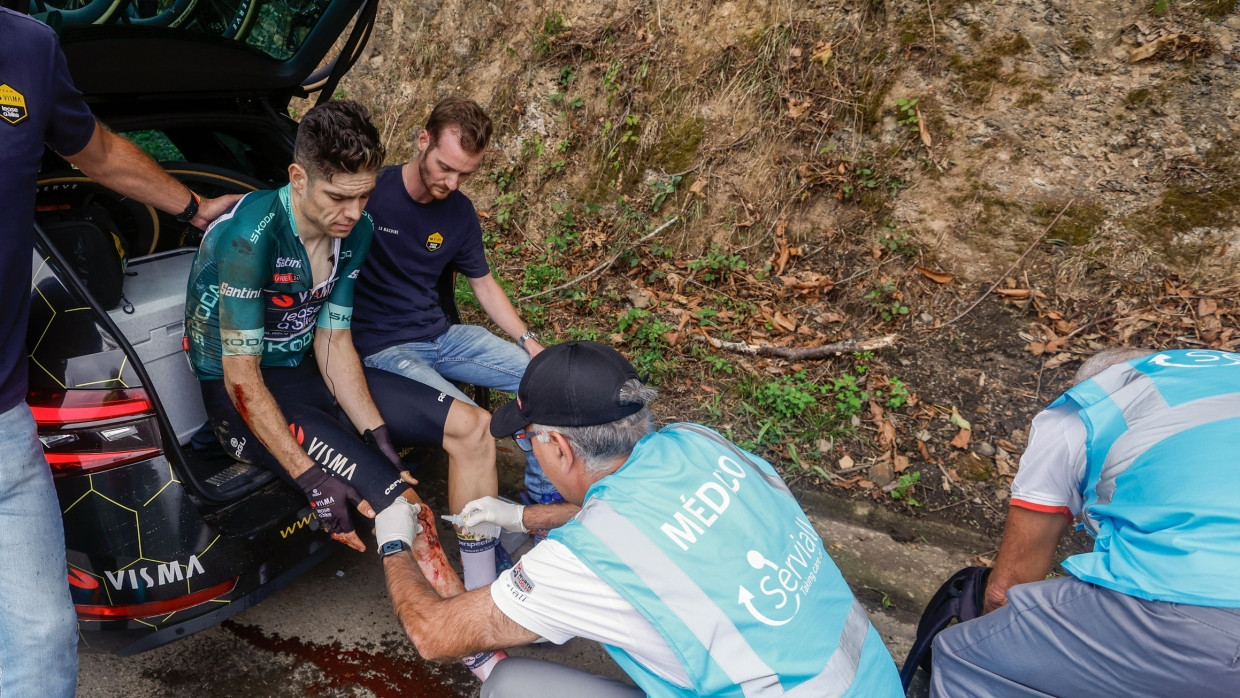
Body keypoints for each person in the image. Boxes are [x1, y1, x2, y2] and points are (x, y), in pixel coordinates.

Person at [374, 340, 904, 697]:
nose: (530, 448)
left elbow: (433, 634)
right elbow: (640, 520)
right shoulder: (700, 443)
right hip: (873, 682)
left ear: (558, 447)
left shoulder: (585, 561)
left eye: (529, 438)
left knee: (511, 686)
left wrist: (394, 544)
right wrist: (522, 516)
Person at [1, 8, 237, 695]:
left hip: (3, 420)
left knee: (42, 636)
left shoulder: (28, 47)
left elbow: (97, 150)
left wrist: (194, 209)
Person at [184, 100, 502, 590]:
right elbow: (241, 378)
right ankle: (479, 644)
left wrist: (375, 434)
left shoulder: (356, 230)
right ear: (298, 177)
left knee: (474, 426)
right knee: (404, 508)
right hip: (244, 395)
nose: (353, 213)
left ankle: (487, 595)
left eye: (364, 196)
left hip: (309, 370)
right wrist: (310, 478)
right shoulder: (250, 240)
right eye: (338, 197)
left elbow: (333, 340)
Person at [931, 348, 1240, 697]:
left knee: (964, 656)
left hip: (1192, 600)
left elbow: (1007, 590)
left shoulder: (1083, 413)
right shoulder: (1221, 378)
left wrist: (997, 637)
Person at [350, 98, 562, 527]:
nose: (452, 182)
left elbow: (483, 284)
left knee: (549, 382)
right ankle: (480, 564)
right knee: (477, 429)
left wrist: (530, 342)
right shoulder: (370, 194)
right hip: (386, 349)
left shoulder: (460, 214)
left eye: (465, 173)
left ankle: (541, 509)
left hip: (442, 337)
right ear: (422, 140)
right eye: (446, 167)